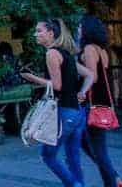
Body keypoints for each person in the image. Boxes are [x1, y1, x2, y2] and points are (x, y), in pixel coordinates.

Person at [22, 18, 94, 187]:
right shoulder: (66, 54)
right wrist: (82, 92)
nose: (36, 34)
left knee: (48, 155)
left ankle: (74, 185)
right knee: (73, 157)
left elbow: (57, 86)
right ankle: (79, 184)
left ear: (51, 33)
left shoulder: (51, 53)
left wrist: (32, 78)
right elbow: (90, 74)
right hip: (78, 113)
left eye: (39, 31)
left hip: (64, 112)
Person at [78, 15, 122, 187]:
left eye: (80, 26)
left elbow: (93, 76)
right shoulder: (101, 49)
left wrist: (81, 90)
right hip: (101, 101)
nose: (78, 30)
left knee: (98, 149)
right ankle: (113, 178)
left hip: (93, 103)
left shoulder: (90, 49)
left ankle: (113, 180)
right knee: (87, 143)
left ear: (86, 30)